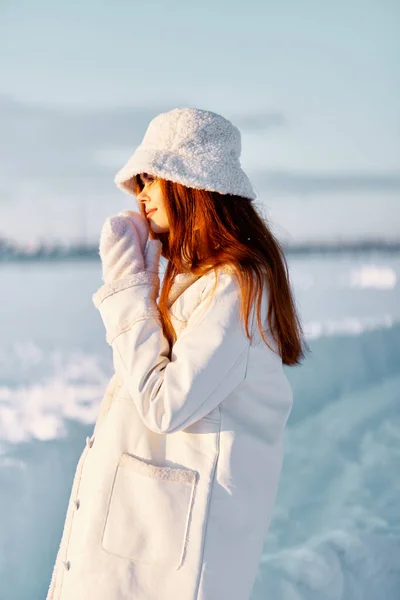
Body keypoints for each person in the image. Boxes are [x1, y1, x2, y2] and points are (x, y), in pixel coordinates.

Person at [46, 107, 307, 600]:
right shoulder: (196, 282)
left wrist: (127, 289)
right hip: (146, 534)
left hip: (172, 557)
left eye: (149, 180)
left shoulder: (236, 285)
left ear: (189, 184)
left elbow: (164, 404)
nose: (139, 196)